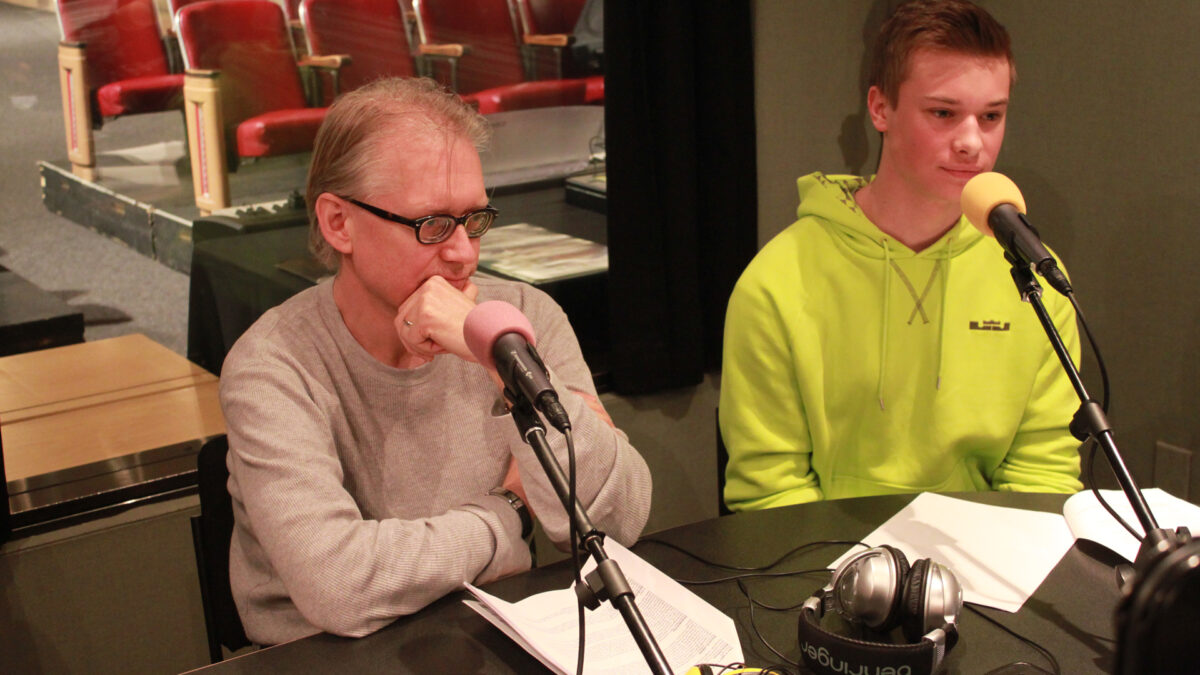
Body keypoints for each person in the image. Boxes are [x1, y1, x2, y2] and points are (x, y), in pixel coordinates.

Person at [219, 77, 652, 645]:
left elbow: (619, 523)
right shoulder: (272, 365)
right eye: (433, 225)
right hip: (329, 658)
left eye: (474, 220)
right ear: (338, 223)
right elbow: (341, 585)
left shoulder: (520, 317)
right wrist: (510, 513)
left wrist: (500, 362)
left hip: (491, 634)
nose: (464, 253)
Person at [719, 0, 1082, 511]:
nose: (972, 142)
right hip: (823, 570)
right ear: (880, 108)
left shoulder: (1035, 275)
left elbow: (1044, 471)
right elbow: (770, 488)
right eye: (943, 113)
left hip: (987, 564)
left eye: (992, 116)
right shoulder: (777, 283)